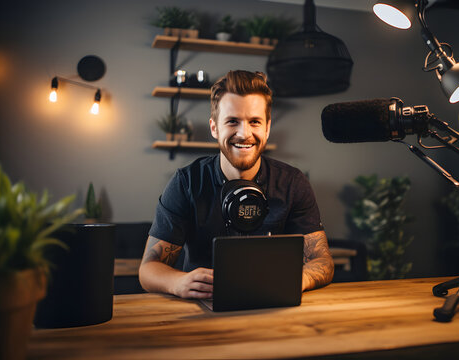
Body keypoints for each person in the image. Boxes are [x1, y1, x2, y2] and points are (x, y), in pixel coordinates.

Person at [139, 70, 334, 299]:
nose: (244, 134)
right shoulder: (187, 183)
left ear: (267, 128)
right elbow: (148, 269)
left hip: (273, 304)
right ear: (214, 128)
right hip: (203, 308)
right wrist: (178, 282)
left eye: (254, 122)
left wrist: (294, 280)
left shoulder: (293, 183)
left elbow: (323, 261)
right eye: (232, 121)